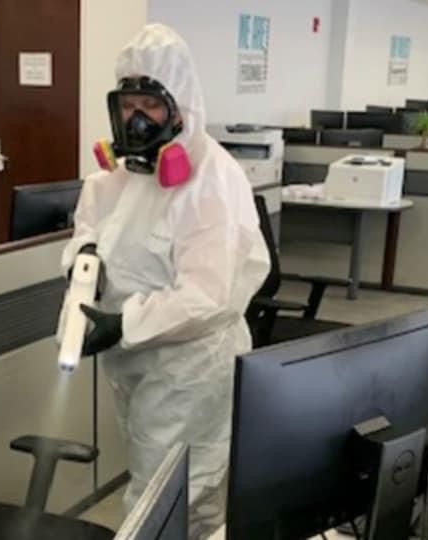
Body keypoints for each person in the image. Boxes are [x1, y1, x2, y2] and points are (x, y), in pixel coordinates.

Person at [59, 23, 270, 538]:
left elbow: (208, 295)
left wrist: (121, 324)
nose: (136, 117)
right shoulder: (112, 177)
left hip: (189, 372)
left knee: (175, 501)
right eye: (128, 102)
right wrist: (84, 258)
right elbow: (88, 229)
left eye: (149, 104)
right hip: (133, 365)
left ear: (179, 106)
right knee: (157, 483)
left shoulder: (214, 181)